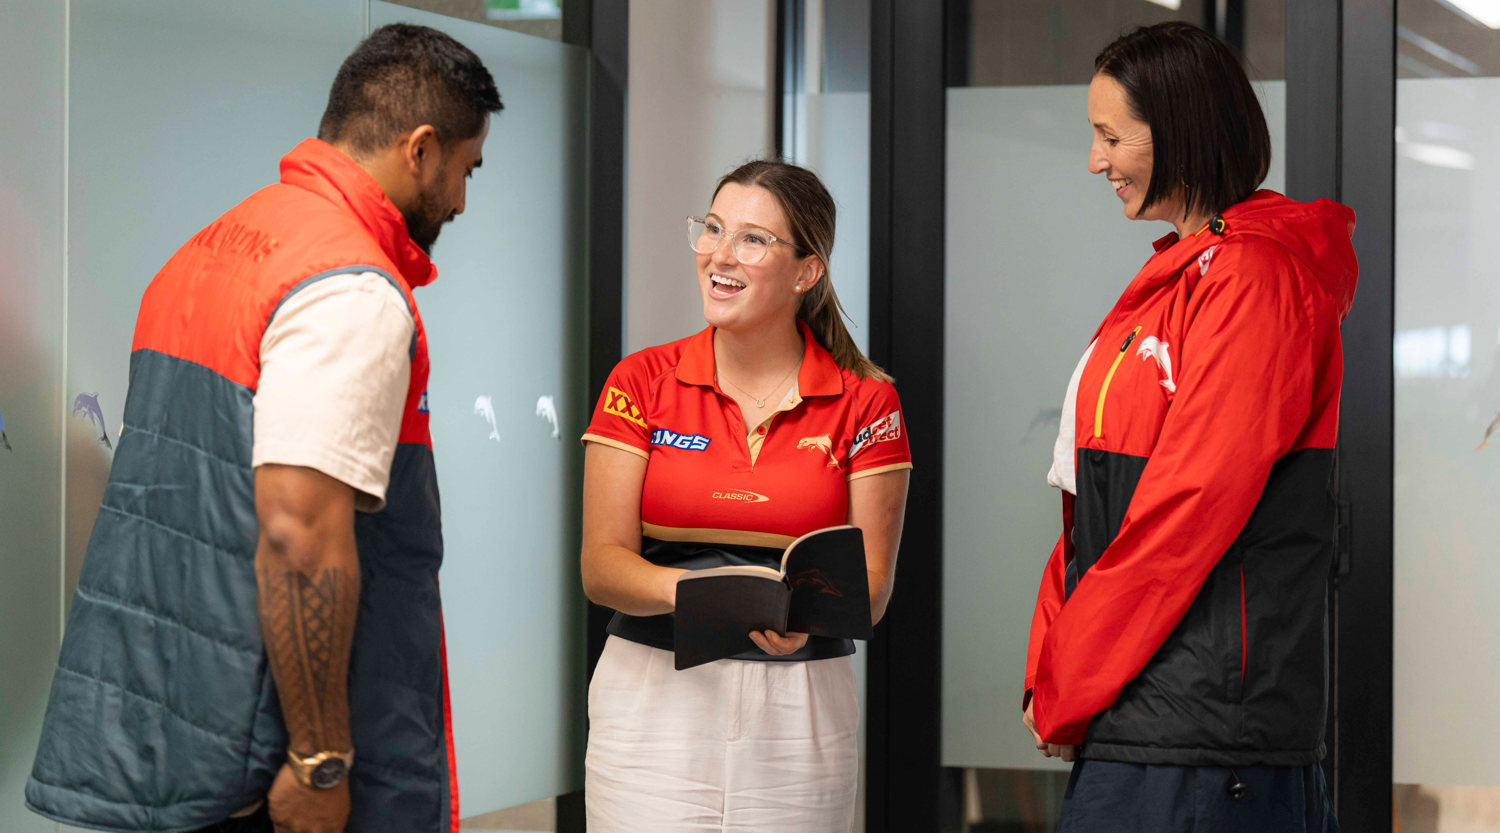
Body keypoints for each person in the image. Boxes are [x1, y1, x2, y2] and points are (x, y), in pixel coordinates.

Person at [26, 24, 501, 833]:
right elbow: (298, 535)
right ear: (420, 149)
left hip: (173, 725)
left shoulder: (210, 250)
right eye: (464, 169)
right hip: (269, 758)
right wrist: (321, 761)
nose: (460, 200)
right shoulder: (349, 290)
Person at [1020, 22, 1355, 833]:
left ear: (1179, 131)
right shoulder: (1177, 273)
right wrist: (1052, 661)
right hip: (1143, 710)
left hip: (1207, 732)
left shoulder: (1254, 277)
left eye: (1110, 136)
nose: (1095, 161)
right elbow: (1090, 503)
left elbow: (1187, 508)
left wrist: (1075, 674)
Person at [579, 159, 911, 832]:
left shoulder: (867, 399)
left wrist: (806, 615)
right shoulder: (640, 380)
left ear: (806, 271)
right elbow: (601, 565)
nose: (718, 256)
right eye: (713, 229)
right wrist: (708, 594)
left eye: (752, 240)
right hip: (650, 700)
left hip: (801, 710)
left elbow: (872, 587)